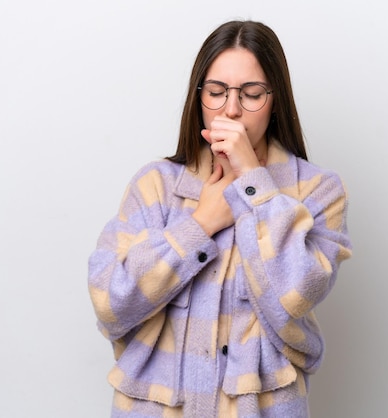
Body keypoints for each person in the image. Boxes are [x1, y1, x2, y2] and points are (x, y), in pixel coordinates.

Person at [88, 20, 352, 418]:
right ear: (199, 97)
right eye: (216, 92)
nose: (230, 109)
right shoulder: (155, 185)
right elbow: (110, 304)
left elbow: (294, 293)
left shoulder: (317, 191)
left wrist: (253, 183)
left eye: (250, 94)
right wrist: (200, 224)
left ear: (275, 100)